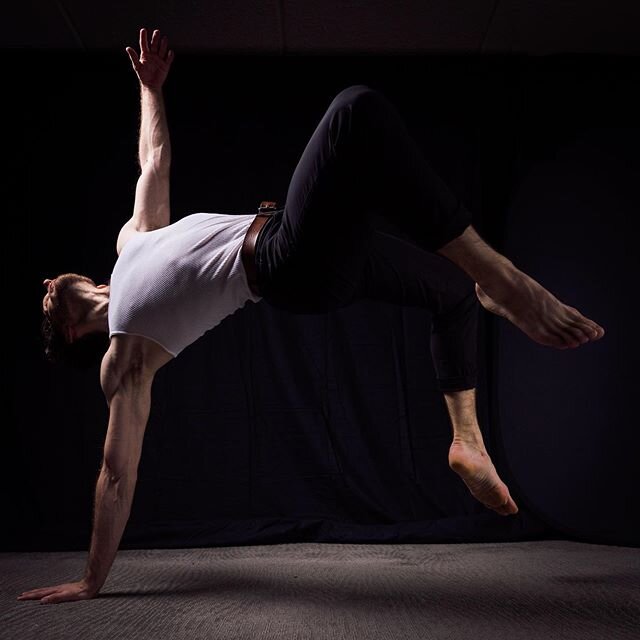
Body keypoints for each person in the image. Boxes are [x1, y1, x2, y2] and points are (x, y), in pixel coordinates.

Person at [20, 28, 605, 605]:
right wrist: (92, 579)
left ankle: (467, 441)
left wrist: (150, 88)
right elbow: (116, 474)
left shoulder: (132, 242)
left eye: (46, 284)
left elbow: (153, 160)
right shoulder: (123, 356)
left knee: (451, 292)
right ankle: (504, 281)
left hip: (295, 243)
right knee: (355, 112)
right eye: (46, 302)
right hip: (287, 265)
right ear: (72, 331)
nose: (46, 285)